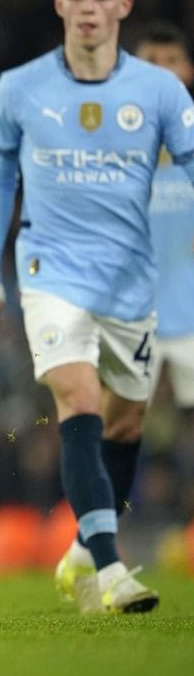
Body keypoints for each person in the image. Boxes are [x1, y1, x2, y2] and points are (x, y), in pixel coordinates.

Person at [0, 0, 194, 614]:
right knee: (80, 399)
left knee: (125, 423)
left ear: (123, 6)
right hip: (50, 273)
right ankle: (112, 568)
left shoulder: (160, 94)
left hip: (132, 282)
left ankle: (79, 552)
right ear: (60, 3)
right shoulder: (20, 87)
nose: (89, 7)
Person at [138, 23, 194, 411]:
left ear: (187, 70)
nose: (161, 70)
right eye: (151, 61)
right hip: (132, 318)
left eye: (170, 61)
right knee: (120, 428)